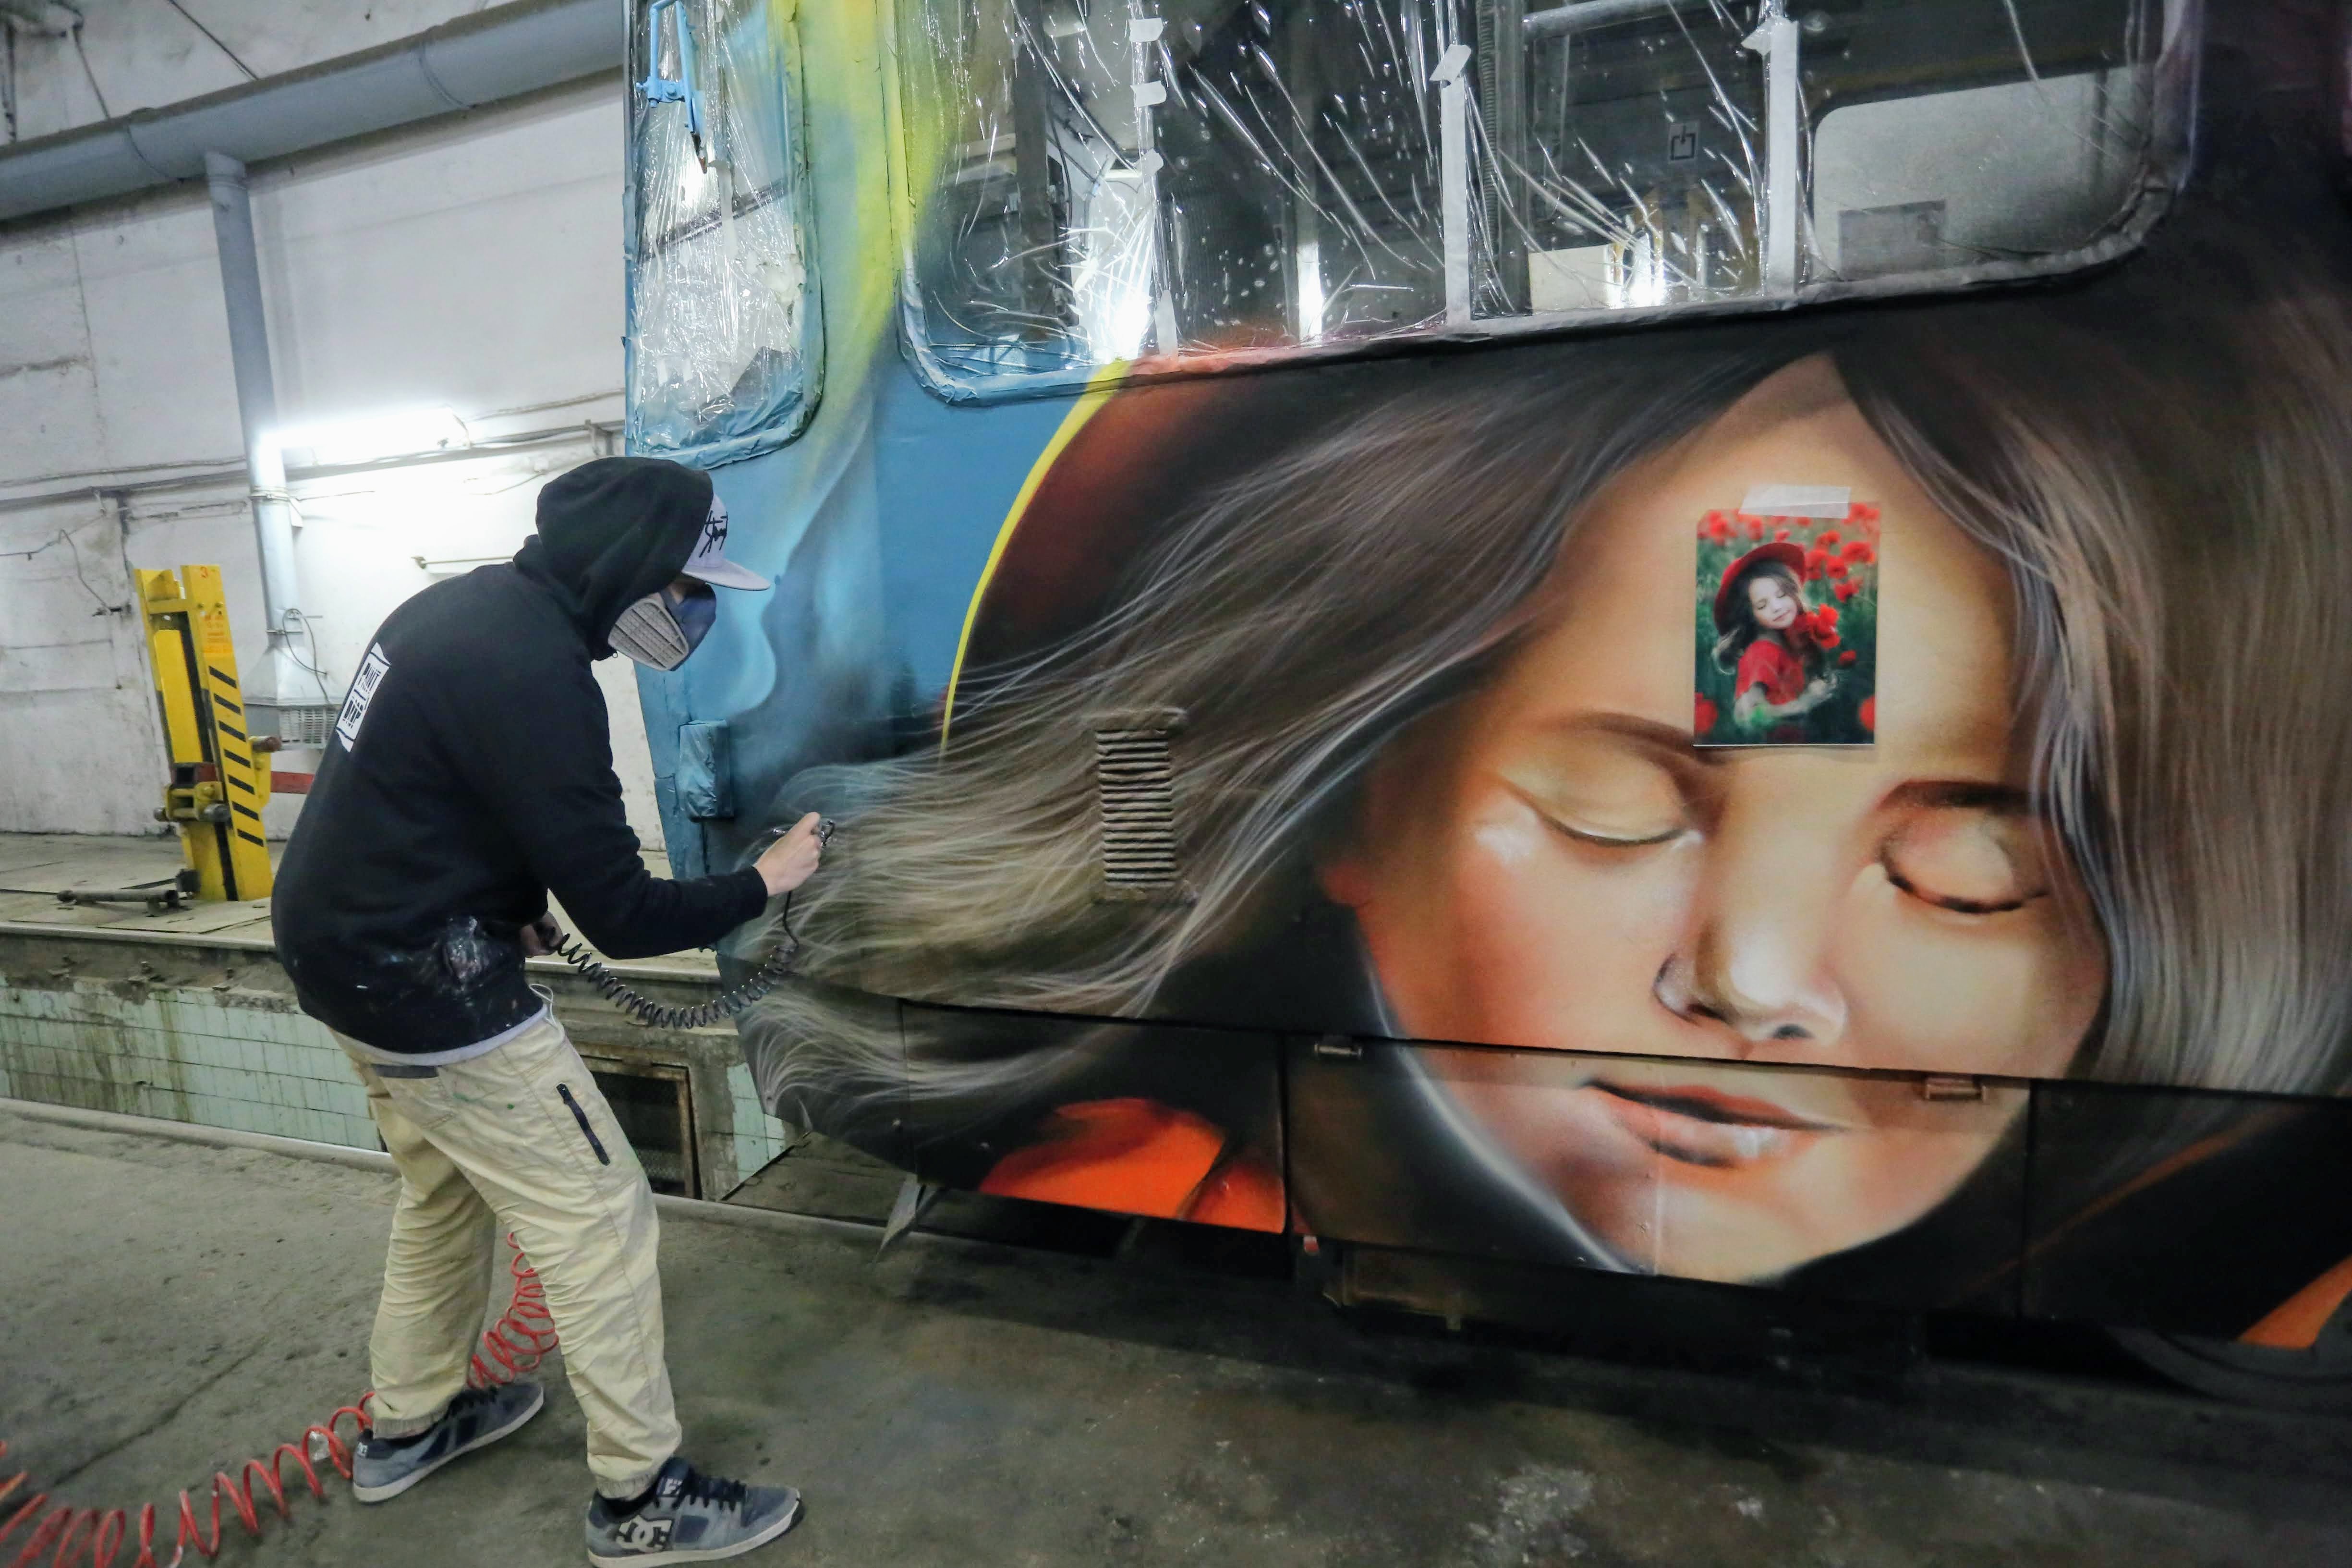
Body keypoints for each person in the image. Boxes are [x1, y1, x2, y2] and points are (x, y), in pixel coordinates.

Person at [737, 238, 2352, 1320]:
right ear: (1358, 799)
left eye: (1966, 879)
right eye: (1614, 811)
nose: (1749, 977)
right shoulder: (1132, 1175)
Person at [273, 456, 824, 1565]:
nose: (694, 610)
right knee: (600, 1217)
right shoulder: (536, 673)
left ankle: (408, 1423)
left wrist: (510, 899)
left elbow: (438, 791)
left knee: (443, 1191)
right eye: (688, 585)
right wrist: (762, 882)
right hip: (426, 983)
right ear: (631, 566)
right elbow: (621, 915)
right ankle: (640, 1498)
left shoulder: (463, 611)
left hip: (339, 951)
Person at [1712, 544, 1837, 739]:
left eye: (1782, 595)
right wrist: (1805, 703)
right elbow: (1746, 717)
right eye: (1762, 605)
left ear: (1793, 591)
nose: (1777, 607)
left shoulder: (1787, 639)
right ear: (1750, 615)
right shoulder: (1763, 652)